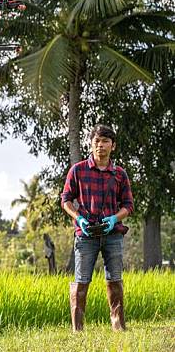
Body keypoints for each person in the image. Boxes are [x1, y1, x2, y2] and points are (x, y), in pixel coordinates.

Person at [61, 124, 133, 332]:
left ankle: (118, 325)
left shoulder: (120, 174)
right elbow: (65, 200)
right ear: (91, 145)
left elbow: (128, 205)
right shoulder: (78, 170)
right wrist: (78, 218)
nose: (100, 146)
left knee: (115, 279)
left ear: (113, 146)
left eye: (105, 142)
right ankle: (78, 329)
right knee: (81, 280)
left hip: (113, 235)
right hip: (86, 234)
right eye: (96, 142)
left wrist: (114, 218)